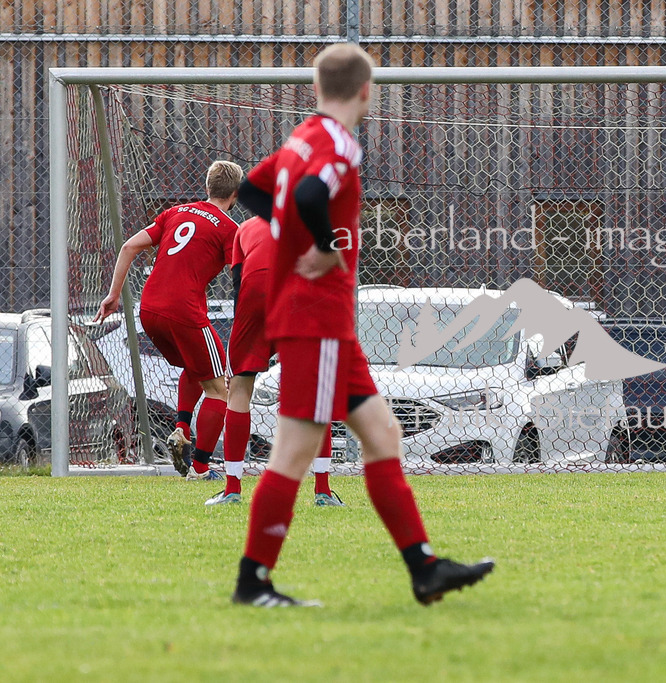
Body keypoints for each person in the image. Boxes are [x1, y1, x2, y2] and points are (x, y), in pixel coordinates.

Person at [231, 43, 494, 607]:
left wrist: (297, 233)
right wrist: (323, 245)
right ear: (367, 90)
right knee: (293, 453)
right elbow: (307, 194)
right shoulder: (340, 143)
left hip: (322, 323)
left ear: (317, 88)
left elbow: (254, 189)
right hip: (316, 317)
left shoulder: (301, 135)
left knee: (382, 434)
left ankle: (424, 569)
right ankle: (252, 584)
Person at [95, 160, 243, 481]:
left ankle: (180, 428)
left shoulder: (176, 213)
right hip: (185, 312)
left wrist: (114, 295)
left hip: (149, 310)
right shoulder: (230, 229)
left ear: (207, 187)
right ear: (235, 194)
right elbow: (238, 278)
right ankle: (202, 469)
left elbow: (129, 246)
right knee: (220, 390)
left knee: (198, 365)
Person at [205, 215, 344, 507]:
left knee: (241, 387)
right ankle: (323, 491)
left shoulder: (246, 228)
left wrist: (244, 342)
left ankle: (232, 489)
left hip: (254, 295)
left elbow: (238, 285)